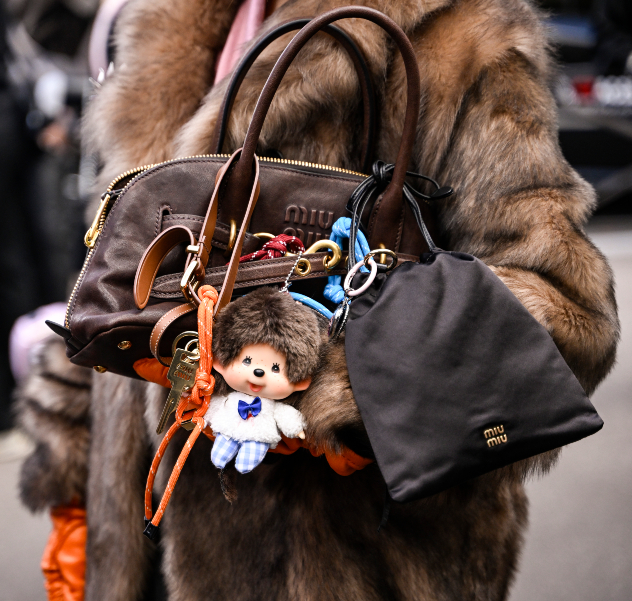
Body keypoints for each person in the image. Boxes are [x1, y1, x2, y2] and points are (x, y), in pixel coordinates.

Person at [16, 0, 619, 599]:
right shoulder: (171, 25)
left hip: (344, 561)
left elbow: (567, 311)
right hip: (144, 535)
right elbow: (142, 275)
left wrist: (323, 384)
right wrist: (78, 435)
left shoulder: (459, 32)